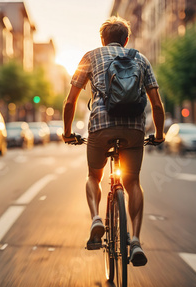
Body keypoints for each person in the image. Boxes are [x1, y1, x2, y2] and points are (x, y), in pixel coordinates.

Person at [62, 16, 165, 266]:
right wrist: (160, 134)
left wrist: (67, 132)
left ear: (102, 40)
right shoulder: (141, 59)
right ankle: (137, 241)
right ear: (126, 39)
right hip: (134, 129)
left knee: (93, 176)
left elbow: (70, 101)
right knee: (133, 182)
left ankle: (96, 219)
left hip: (100, 126)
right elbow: (157, 105)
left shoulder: (90, 56)